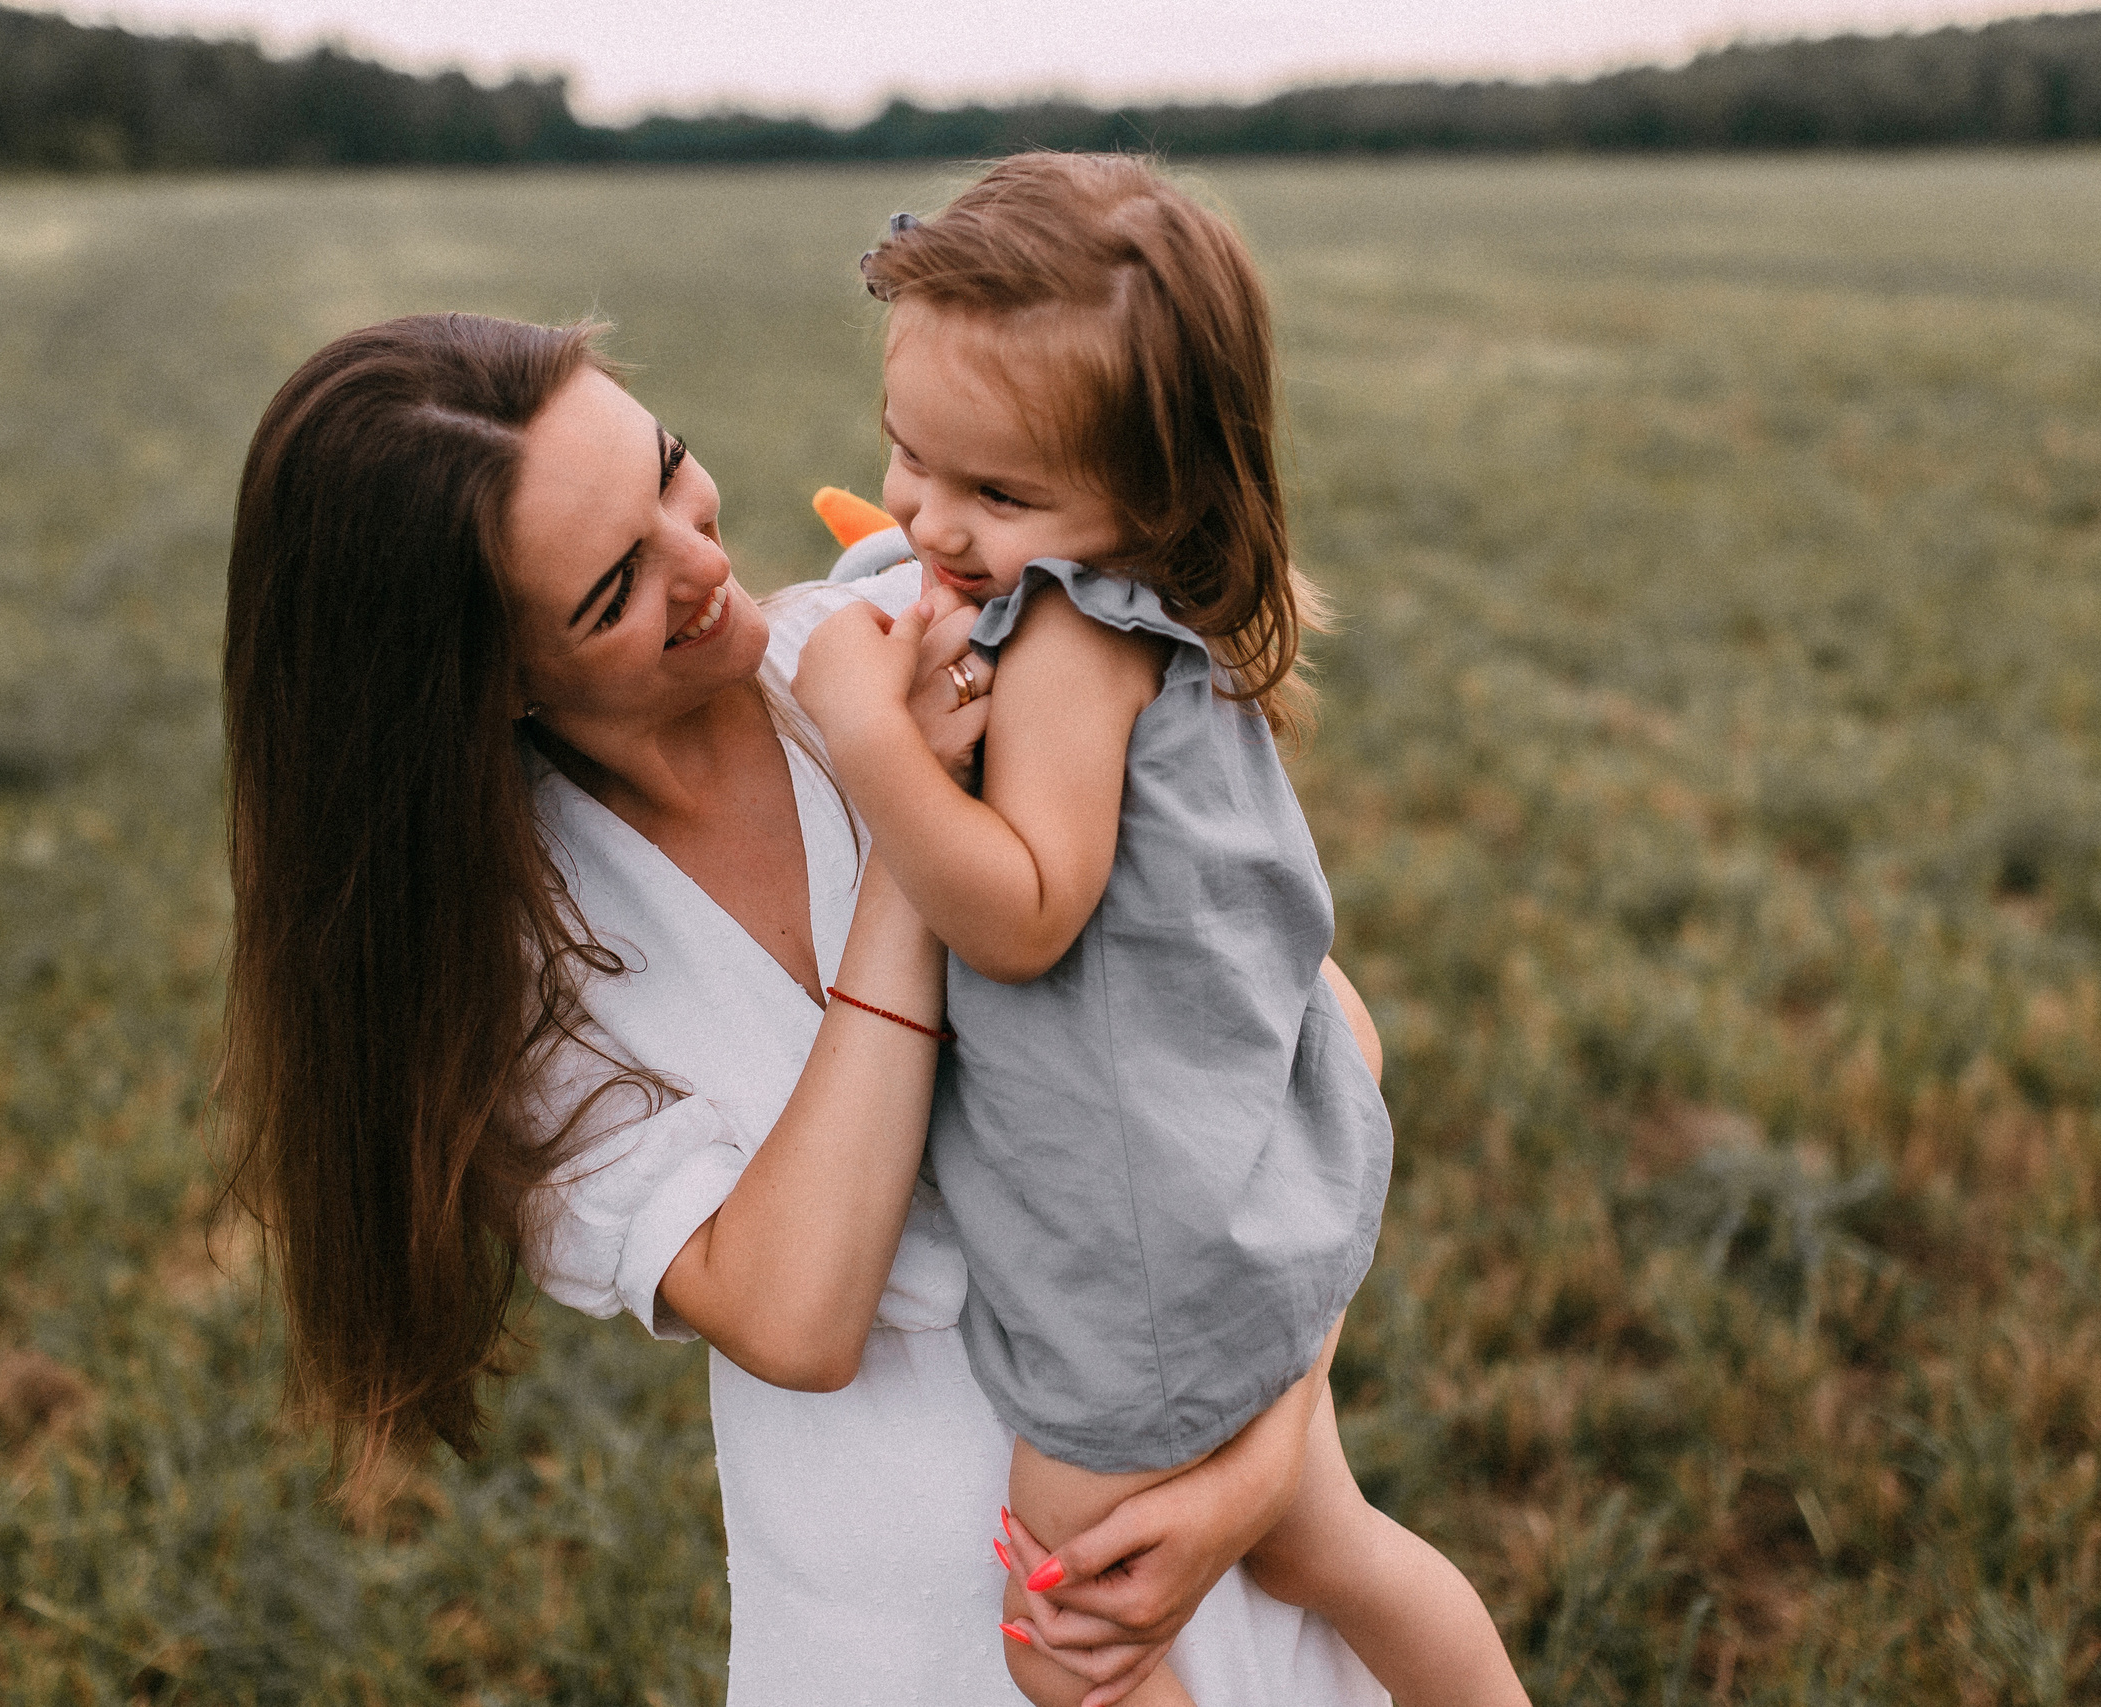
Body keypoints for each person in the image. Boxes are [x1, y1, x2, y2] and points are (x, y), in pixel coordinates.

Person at [217, 309, 1396, 1704]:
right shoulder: (504, 972)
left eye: (669, 474)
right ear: (480, 686)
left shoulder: (923, 639)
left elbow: (1304, 1048)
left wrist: (1254, 1479)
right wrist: (912, 841)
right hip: (909, 1603)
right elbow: (798, 1312)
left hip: (1214, 1448)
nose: (710, 568)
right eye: (614, 593)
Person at [793, 154, 1527, 1707]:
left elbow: (1022, 915)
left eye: (998, 495)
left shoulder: (1069, 639)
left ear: (1160, 495)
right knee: (1335, 1548)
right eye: (909, 458)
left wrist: (868, 737)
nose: (935, 517)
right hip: (1235, 1174)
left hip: (1132, 1268)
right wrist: (916, 550)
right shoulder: (1119, 608)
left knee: (1071, 1646)